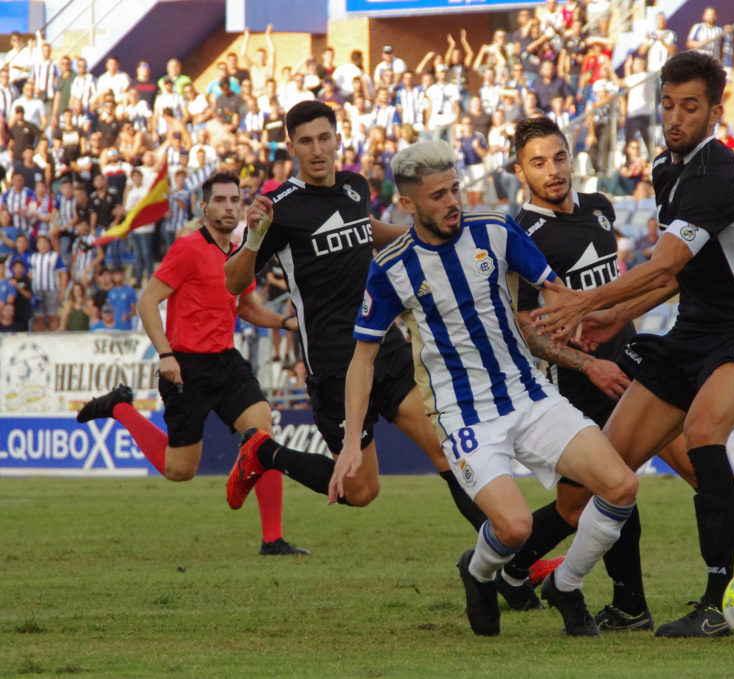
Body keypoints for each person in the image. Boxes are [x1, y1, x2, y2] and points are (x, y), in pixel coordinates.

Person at [530, 52, 734, 638]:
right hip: (692, 332)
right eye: (667, 104)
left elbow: (666, 260)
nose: (674, 117)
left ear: (716, 111)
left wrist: (586, 304)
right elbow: (673, 277)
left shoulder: (718, 173)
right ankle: (552, 582)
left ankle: (716, 603)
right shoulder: (669, 171)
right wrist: (616, 315)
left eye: (689, 107)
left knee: (704, 435)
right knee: (605, 472)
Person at [341, 139, 637, 637]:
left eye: (456, 188)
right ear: (408, 204)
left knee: (621, 486)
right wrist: (351, 440)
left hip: (529, 395)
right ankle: (477, 573)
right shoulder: (391, 267)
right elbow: (362, 359)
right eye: (438, 195)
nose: (453, 201)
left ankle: (566, 584)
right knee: (515, 528)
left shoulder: (496, 230)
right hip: (463, 416)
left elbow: (554, 290)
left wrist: (577, 321)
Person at [222, 101, 488, 532]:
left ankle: (511, 565)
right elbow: (234, 284)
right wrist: (253, 237)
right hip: (334, 365)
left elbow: (366, 231)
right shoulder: (278, 207)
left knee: (447, 451)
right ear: (292, 147)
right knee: (362, 491)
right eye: (306, 141)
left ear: (338, 138)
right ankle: (264, 453)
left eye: (324, 138)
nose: (317, 149)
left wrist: (424, 234)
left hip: (384, 342)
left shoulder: (353, 186)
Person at [75, 173, 307, 555]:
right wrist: (166, 355)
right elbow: (147, 301)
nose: (229, 206)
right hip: (185, 366)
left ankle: (272, 540)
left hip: (226, 362)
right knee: (180, 470)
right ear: (204, 207)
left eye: (235, 199)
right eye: (221, 200)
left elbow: (246, 308)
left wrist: (285, 321)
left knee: (262, 434)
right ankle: (120, 407)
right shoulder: (187, 248)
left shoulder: (239, 253)